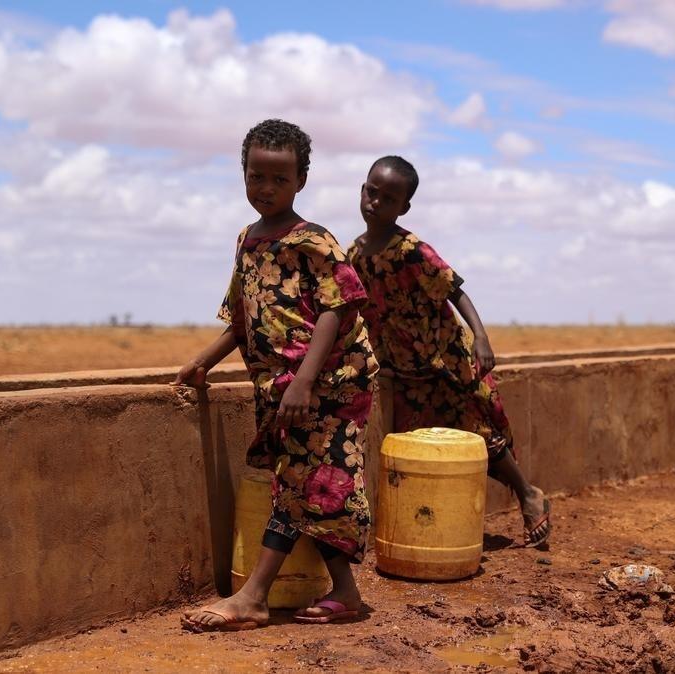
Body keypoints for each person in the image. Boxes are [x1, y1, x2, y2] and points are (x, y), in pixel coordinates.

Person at [174, 119, 378, 631]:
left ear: (301, 182)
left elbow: (336, 309)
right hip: (281, 389)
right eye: (256, 176)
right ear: (243, 174)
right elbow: (244, 319)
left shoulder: (313, 241)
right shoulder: (247, 240)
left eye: (279, 180)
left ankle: (253, 597)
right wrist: (204, 361)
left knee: (303, 482)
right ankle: (347, 594)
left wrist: (306, 381)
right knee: (311, 486)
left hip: (331, 384)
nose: (266, 188)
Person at [347, 156, 550, 548]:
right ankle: (428, 524)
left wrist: (481, 337)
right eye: (372, 192)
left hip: (445, 363)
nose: (376, 202)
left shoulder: (412, 250)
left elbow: (455, 291)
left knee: (479, 436)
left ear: (403, 207)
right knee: (422, 448)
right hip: (404, 371)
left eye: (388, 198)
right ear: (362, 190)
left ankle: (528, 495)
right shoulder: (354, 255)